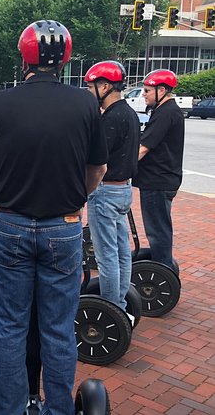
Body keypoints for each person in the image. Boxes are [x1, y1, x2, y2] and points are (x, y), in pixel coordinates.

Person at [0, 20, 108, 415]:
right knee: (58, 328)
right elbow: (98, 169)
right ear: (64, 58)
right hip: (63, 227)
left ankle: (10, 408)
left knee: (11, 326)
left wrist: (7, 196)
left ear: (24, 57)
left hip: (11, 222)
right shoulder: (86, 103)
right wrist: (73, 198)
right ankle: (58, 409)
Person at [84, 61, 140, 313]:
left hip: (105, 192)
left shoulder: (111, 117)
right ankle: (121, 304)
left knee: (106, 257)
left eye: (90, 86)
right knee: (121, 252)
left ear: (104, 86)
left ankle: (111, 309)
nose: (88, 91)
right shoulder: (129, 113)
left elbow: (97, 160)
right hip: (123, 190)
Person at [133, 69, 185, 268]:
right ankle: (164, 267)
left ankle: (163, 270)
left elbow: (144, 148)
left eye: (147, 90)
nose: (144, 94)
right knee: (160, 229)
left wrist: (121, 167)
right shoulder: (164, 111)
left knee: (158, 231)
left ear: (161, 90)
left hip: (158, 181)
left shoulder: (166, 113)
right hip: (161, 180)